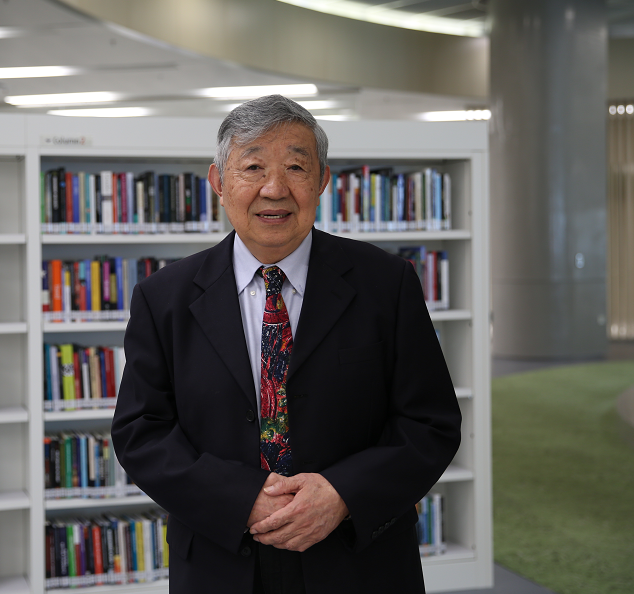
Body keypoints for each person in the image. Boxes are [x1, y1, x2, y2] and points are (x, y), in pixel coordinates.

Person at [111, 95, 461, 593]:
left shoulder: (386, 284)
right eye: (253, 167)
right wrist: (240, 498)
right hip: (221, 560)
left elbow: (430, 423)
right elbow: (141, 432)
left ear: (322, 181)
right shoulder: (163, 297)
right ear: (218, 182)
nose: (274, 189)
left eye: (296, 168)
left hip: (356, 559)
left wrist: (342, 494)